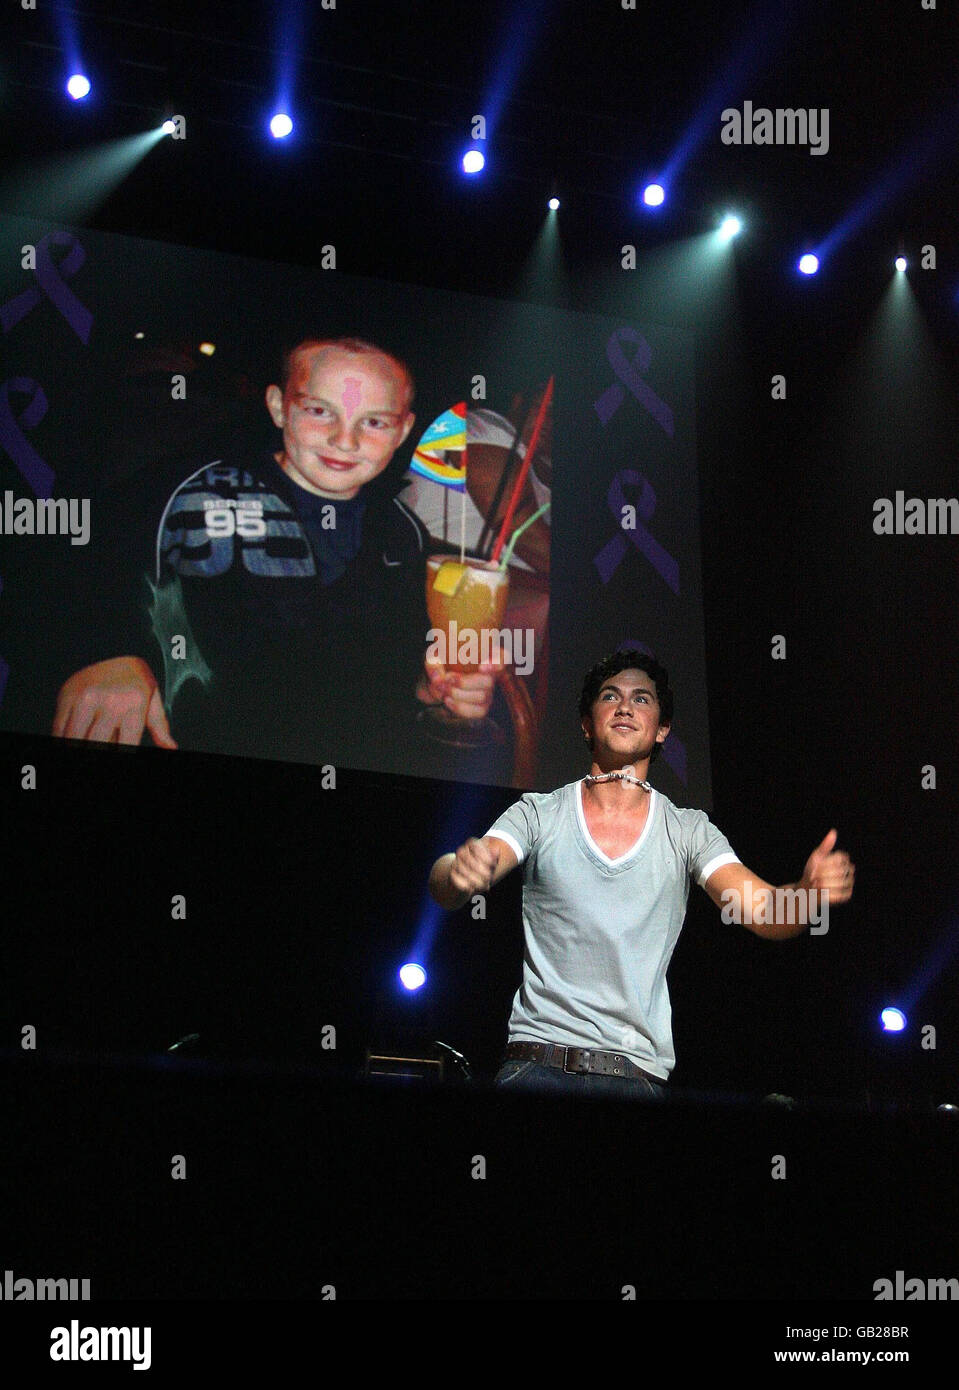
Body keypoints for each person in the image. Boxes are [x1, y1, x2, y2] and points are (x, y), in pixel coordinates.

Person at [50, 337, 498, 771]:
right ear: (278, 407)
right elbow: (74, 555)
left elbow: (382, 678)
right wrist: (107, 651)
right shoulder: (197, 494)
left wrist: (430, 688)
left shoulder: (403, 537)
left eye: (375, 422)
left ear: (402, 430)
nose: (345, 439)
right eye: (319, 411)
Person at [428, 649, 855, 1097]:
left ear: (662, 730)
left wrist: (808, 893)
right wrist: (457, 873)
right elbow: (448, 879)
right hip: (537, 1065)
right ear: (587, 724)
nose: (626, 706)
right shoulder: (540, 812)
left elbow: (765, 911)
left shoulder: (688, 829)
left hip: (636, 1078)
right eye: (610, 696)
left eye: (642, 699)